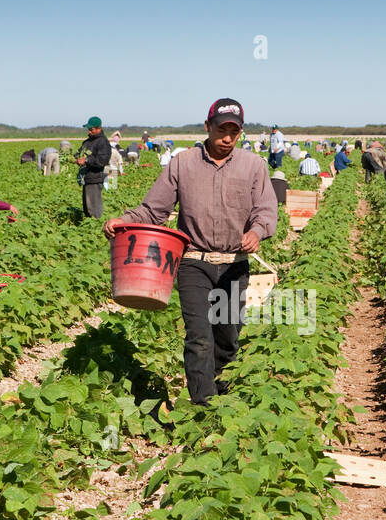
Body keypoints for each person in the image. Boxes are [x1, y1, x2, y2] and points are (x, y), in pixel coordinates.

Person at [103, 97, 277, 405]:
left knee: (226, 338)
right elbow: (153, 210)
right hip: (193, 263)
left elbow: (265, 211)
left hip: (234, 265)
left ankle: (225, 403)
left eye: (234, 132)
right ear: (207, 127)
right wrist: (125, 221)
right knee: (199, 337)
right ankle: (202, 407)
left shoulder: (253, 166)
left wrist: (256, 231)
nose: (227, 138)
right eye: (222, 130)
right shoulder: (182, 164)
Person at [78, 116, 112, 219]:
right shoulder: (87, 142)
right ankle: (89, 226)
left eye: (91, 129)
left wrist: (86, 160)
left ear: (98, 128)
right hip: (87, 177)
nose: (89, 131)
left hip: (95, 177)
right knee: (87, 207)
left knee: (94, 208)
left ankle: (96, 228)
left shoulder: (103, 142)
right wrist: (75, 157)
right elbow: (79, 153)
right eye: (88, 129)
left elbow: (102, 161)